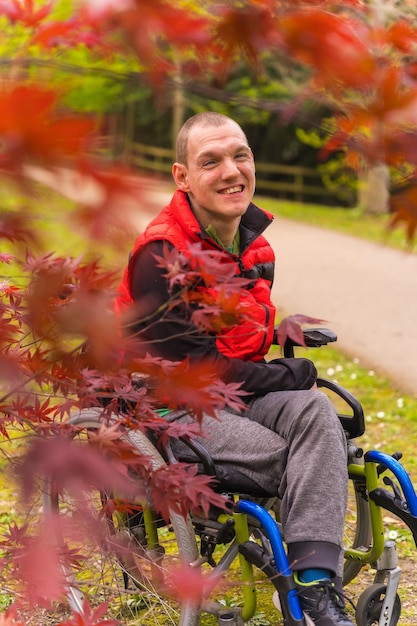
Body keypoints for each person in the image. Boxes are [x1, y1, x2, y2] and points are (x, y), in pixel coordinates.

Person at [115, 112, 355, 626]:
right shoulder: (161, 254)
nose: (231, 171)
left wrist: (278, 336)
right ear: (183, 177)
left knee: (316, 414)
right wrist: (292, 373)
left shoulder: (254, 244)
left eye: (240, 155)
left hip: (234, 395)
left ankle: (313, 589)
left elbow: (232, 336)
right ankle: (285, 568)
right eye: (211, 161)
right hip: (168, 403)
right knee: (287, 453)